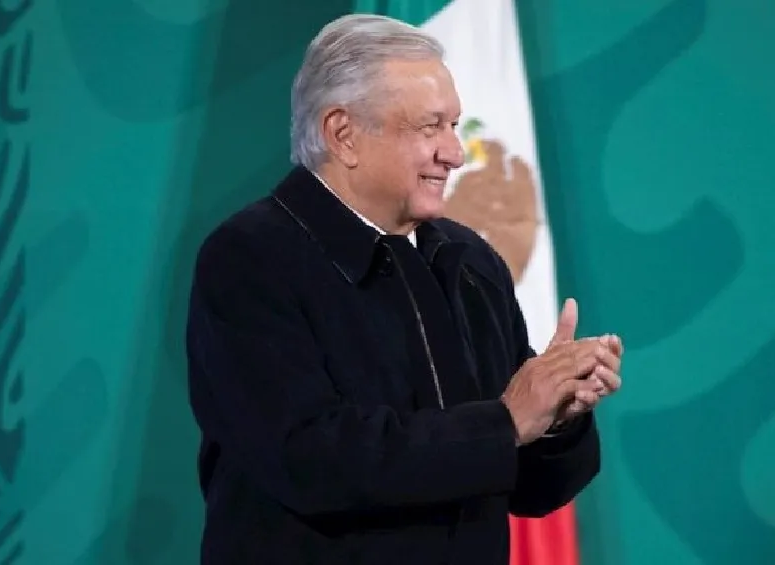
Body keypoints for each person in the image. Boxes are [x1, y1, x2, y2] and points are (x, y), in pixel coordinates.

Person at [184, 13, 623, 565]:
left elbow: (531, 492)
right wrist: (506, 421)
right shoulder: (251, 258)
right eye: (429, 127)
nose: (455, 153)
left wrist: (556, 419)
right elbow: (309, 459)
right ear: (342, 134)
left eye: (453, 126)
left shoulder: (470, 263)